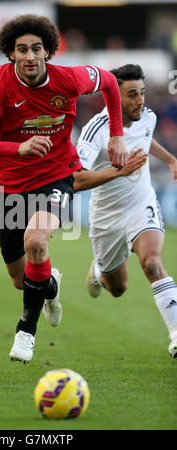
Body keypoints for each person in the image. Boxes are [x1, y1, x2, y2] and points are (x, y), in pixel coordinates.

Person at [0, 14, 129, 364]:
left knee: (36, 241)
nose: (30, 56)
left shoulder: (70, 79)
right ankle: (50, 284)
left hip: (55, 175)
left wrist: (116, 134)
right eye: (22, 50)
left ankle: (25, 332)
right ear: (11, 54)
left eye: (37, 48)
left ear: (48, 51)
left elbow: (110, 82)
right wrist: (15, 148)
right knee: (23, 280)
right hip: (6, 185)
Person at [74, 64, 177, 359]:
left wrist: (169, 158)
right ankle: (97, 270)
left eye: (142, 93)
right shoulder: (95, 130)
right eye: (132, 95)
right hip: (106, 217)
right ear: (113, 98)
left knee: (152, 264)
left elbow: (146, 138)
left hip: (140, 203)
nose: (141, 101)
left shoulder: (148, 117)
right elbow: (75, 179)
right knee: (117, 288)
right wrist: (119, 173)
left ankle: (175, 333)